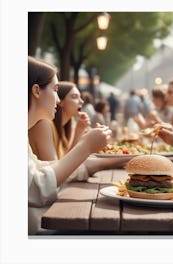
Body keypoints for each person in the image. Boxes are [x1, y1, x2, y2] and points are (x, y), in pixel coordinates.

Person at [28, 56, 127, 234]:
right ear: (36, 90)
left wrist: (84, 143)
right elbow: (37, 187)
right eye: (55, 90)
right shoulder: (42, 125)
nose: (57, 100)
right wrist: (85, 147)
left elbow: (46, 168)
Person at [29, 81, 91, 160]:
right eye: (74, 97)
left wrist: (80, 130)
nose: (81, 101)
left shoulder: (66, 126)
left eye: (80, 97)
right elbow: (56, 168)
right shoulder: (44, 124)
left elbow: (67, 161)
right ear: (61, 102)